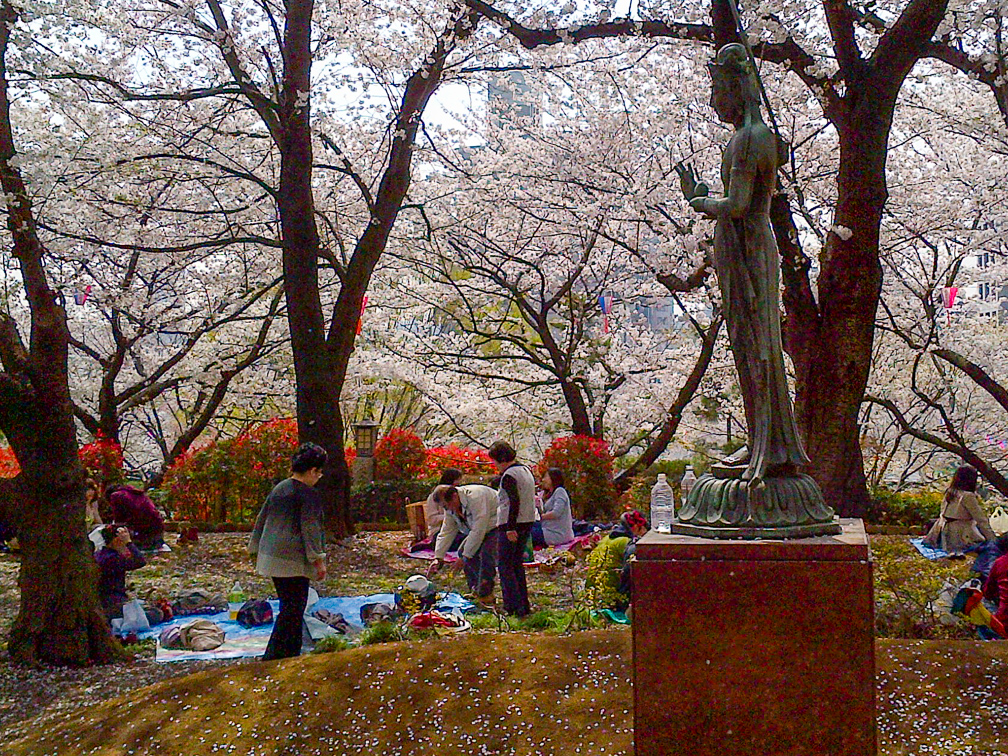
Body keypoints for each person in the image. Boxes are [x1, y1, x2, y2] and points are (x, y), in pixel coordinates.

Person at [248, 442, 328, 661]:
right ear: (312, 470)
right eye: (319, 472)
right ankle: (277, 655)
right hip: (291, 560)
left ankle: (288, 653)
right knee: (293, 609)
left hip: (271, 557)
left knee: (289, 606)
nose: (319, 477)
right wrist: (318, 561)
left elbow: (261, 520)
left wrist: (255, 549)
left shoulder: (280, 488)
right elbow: (310, 530)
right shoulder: (308, 495)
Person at [426, 483, 498, 603]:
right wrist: (438, 557)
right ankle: (475, 590)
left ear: (454, 496)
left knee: (485, 555)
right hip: (479, 528)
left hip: (496, 524)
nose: (447, 509)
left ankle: (486, 594)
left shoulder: (476, 497)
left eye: (446, 505)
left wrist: (465, 556)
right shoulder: (450, 508)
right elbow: (447, 531)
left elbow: (479, 529)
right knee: (464, 553)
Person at [488, 440, 536, 617]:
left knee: (505, 565)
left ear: (500, 459)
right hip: (527, 521)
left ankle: (512, 605)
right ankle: (523, 604)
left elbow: (513, 502)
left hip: (512, 524)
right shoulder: (525, 470)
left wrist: (510, 527)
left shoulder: (509, 476)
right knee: (516, 564)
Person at [584, 510, 649, 612]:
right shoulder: (627, 543)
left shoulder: (608, 538)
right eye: (644, 529)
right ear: (636, 527)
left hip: (592, 594)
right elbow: (629, 573)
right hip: (609, 596)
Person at [95, 523, 158, 624]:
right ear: (117, 541)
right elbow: (140, 561)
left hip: (108, 602)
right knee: (156, 614)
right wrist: (129, 543)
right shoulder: (112, 559)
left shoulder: (100, 554)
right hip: (111, 605)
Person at [923, 465, 996, 553]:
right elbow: (981, 520)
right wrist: (993, 540)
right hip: (960, 534)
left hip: (942, 531)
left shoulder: (950, 491)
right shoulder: (967, 496)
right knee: (984, 546)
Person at [410, 468, 465, 553]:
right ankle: (433, 545)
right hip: (439, 531)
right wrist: (451, 516)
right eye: (458, 480)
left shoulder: (457, 495)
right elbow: (432, 519)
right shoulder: (434, 497)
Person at [106, 484, 165, 551]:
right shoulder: (136, 494)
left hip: (144, 535)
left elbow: (119, 520)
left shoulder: (116, 496)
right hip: (158, 533)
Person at [531, 468, 575, 548]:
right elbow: (544, 514)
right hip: (548, 528)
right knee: (526, 525)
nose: (543, 480)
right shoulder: (550, 494)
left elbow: (556, 513)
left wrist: (542, 517)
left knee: (525, 532)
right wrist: (538, 506)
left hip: (557, 534)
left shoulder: (560, 491)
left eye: (546, 477)